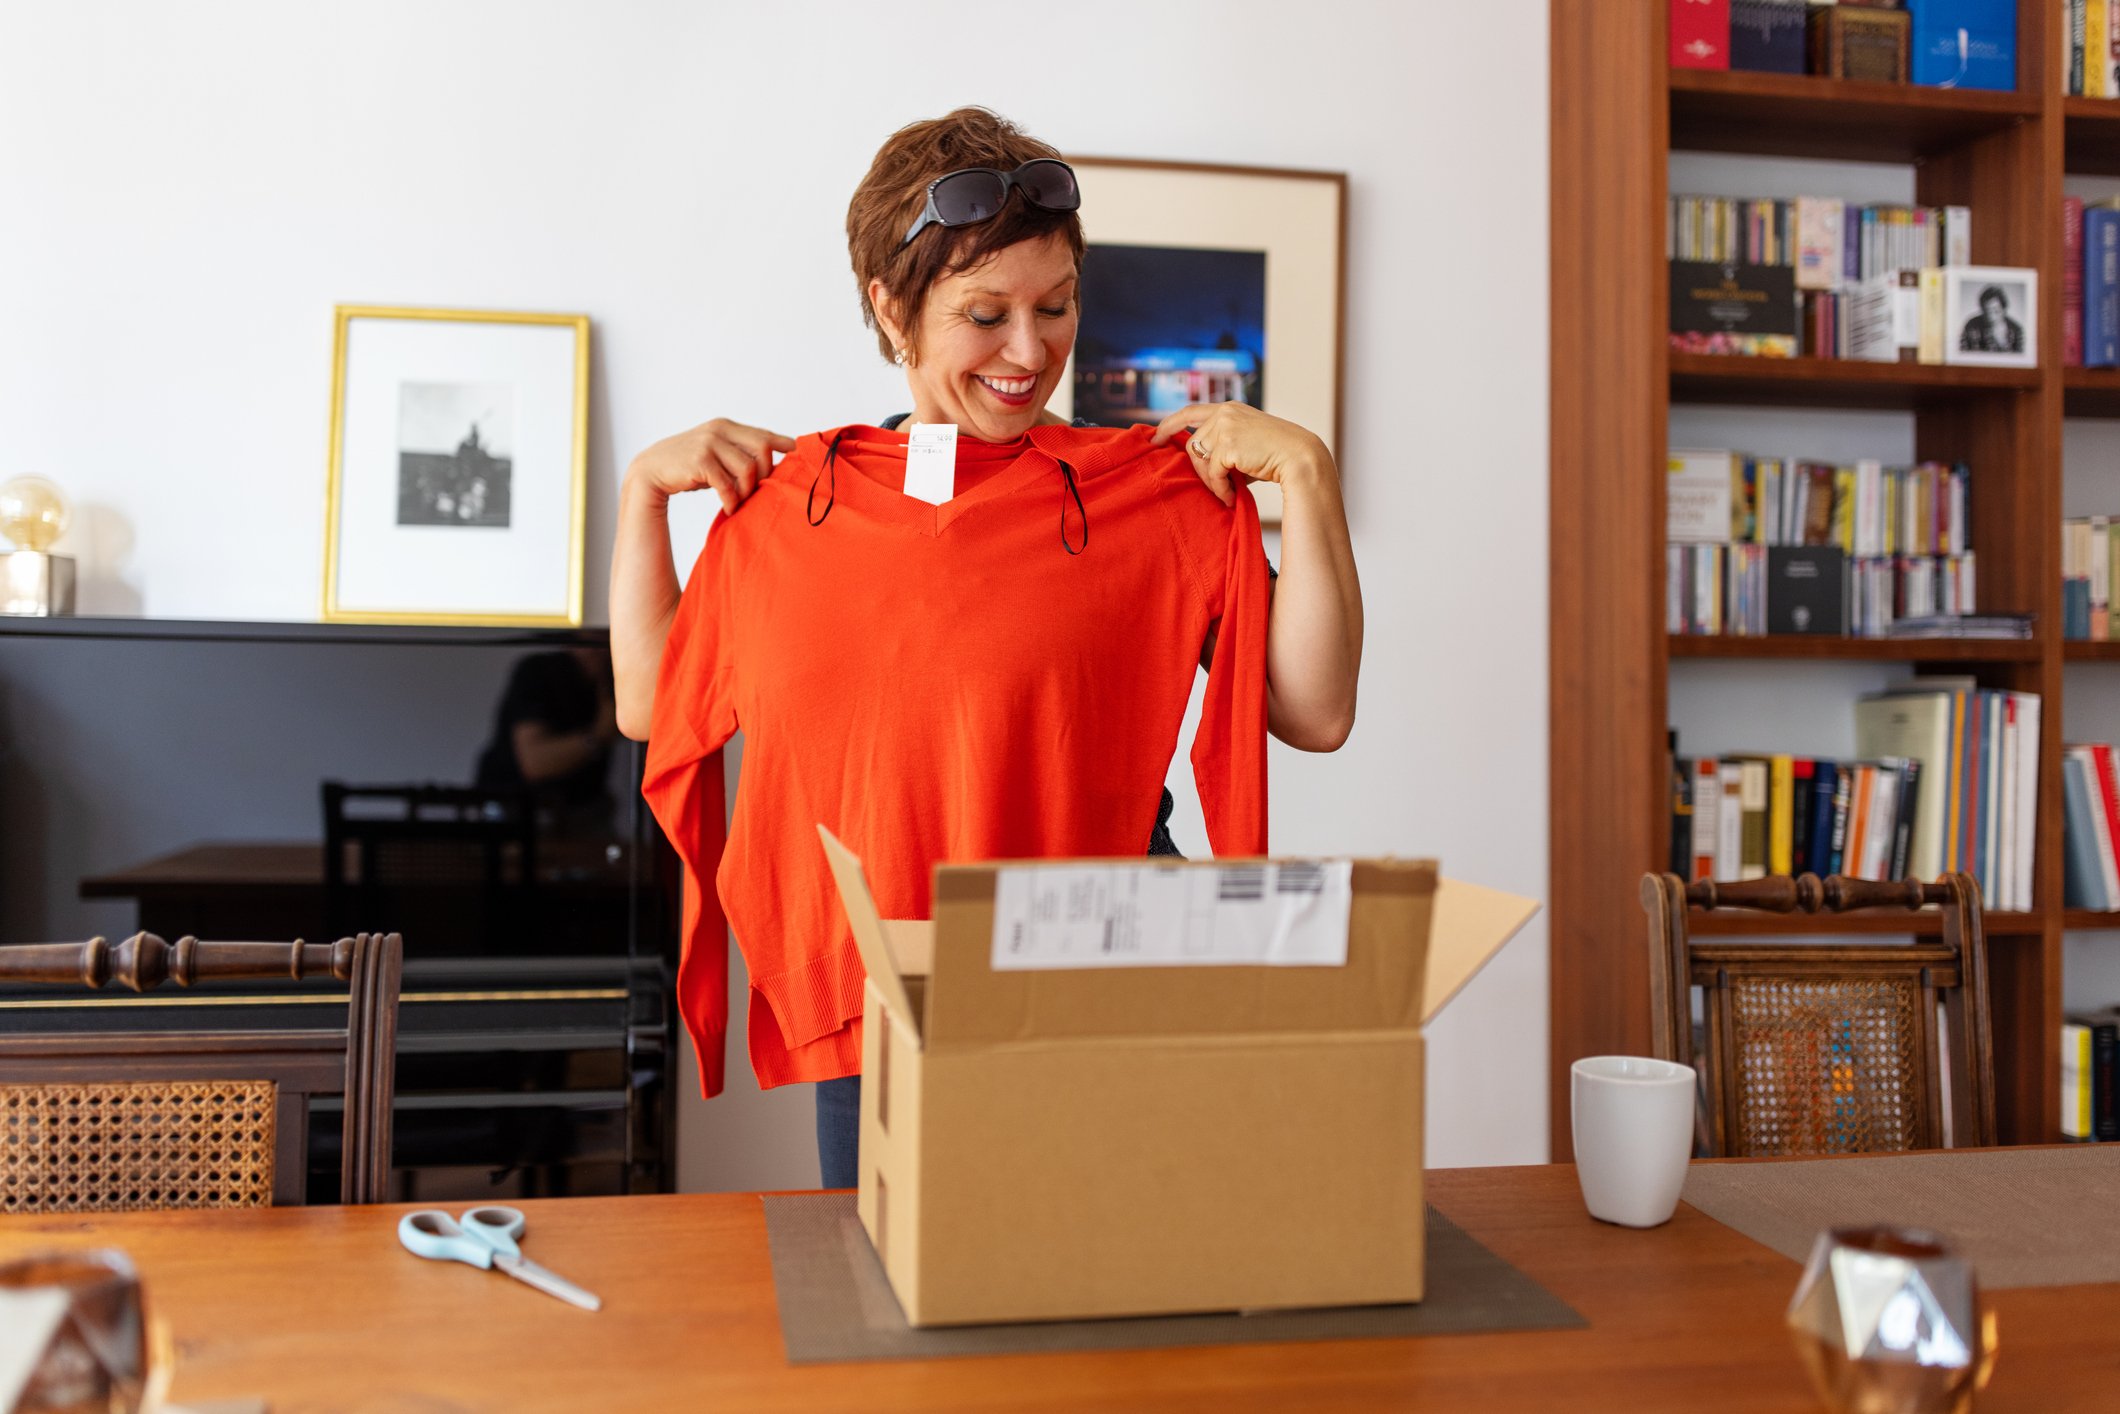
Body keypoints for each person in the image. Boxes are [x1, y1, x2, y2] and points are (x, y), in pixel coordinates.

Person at [612, 109, 1362, 1188]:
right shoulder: (795, 514)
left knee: (1125, 1329)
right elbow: (652, 702)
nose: (1030, 352)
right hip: (885, 1001)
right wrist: (642, 496)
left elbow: (1315, 709)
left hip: (1114, 979)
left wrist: (1308, 476)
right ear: (890, 308)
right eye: (985, 314)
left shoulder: (1146, 493)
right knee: (894, 1324)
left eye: (1055, 307)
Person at [474, 644, 619, 834]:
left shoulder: (609, 679)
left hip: (580, 813)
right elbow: (534, 763)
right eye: (592, 641)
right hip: (514, 814)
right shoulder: (540, 672)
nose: (598, 650)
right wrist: (598, 735)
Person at [1958, 285, 2023, 354]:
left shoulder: (2016, 329)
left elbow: (2020, 357)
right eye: (1987, 311)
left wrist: (2001, 341)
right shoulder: (1971, 326)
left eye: (1995, 311)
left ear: (2003, 309)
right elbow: (1962, 353)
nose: (1991, 316)